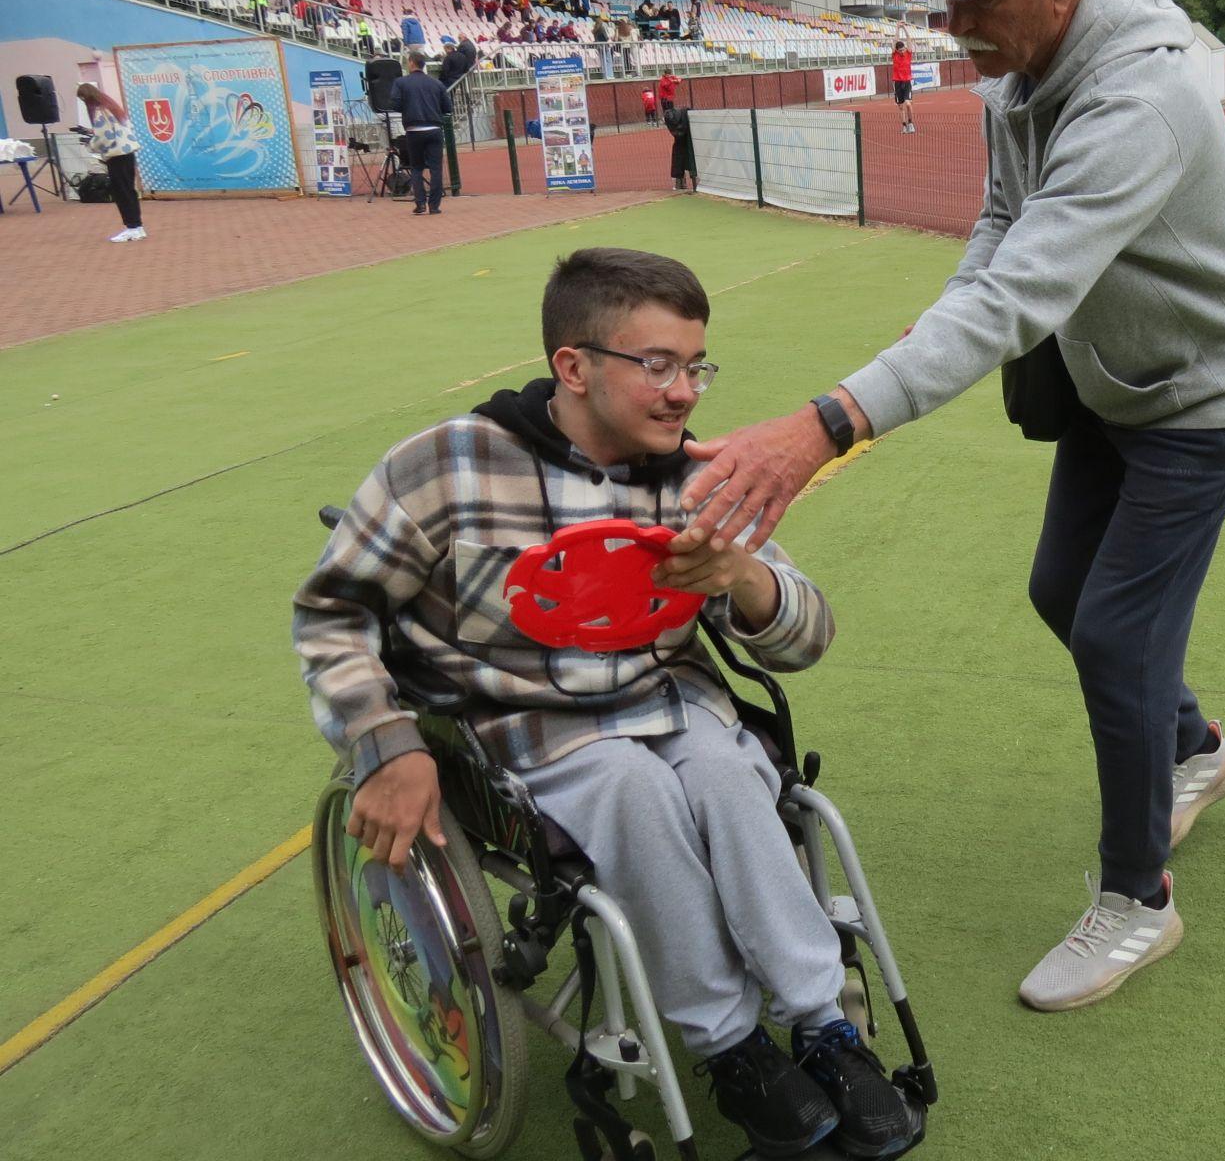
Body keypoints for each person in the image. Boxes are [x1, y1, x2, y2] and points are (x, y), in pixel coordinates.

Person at [667, 0, 1225, 1013]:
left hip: (1203, 391)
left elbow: (1022, 292)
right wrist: (933, 325)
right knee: (1063, 591)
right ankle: (1195, 748)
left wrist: (828, 424)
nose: (954, 28)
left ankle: (1135, 902)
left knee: (1114, 633)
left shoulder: (1137, 99)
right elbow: (1000, 231)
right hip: (1112, 378)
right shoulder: (1023, 67)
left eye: (979, 0)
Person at [293, 248, 923, 1160]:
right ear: (574, 365)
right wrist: (386, 741)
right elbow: (332, 611)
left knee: (726, 774)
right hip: (519, 733)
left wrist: (740, 575)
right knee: (631, 787)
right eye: (658, 365)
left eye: (696, 366)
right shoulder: (445, 468)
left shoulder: (698, 477)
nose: (684, 393)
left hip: (672, 704)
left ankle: (821, 1024)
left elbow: (806, 638)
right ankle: (731, 1045)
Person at [75, 82, 145, 242]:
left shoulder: (100, 112)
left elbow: (104, 137)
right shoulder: (112, 108)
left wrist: (90, 144)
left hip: (115, 155)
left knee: (121, 192)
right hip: (127, 152)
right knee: (129, 190)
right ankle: (137, 226)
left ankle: (131, 227)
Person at [392, 52, 452, 214]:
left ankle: (420, 203)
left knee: (417, 168)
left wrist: (408, 106)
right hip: (434, 128)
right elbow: (448, 108)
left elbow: (395, 104)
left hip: (413, 130)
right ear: (423, 64)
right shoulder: (436, 84)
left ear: (411, 63)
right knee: (436, 168)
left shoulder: (401, 83)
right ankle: (434, 205)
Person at [667, 104, 698, 194]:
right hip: (688, 142)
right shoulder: (685, 118)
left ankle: (682, 184)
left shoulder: (673, 122)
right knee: (685, 160)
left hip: (681, 144)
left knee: (680, 160)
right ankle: (685, 183)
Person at [888, 41, 915, 132]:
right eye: (900, 50)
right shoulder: (894, 55)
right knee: (900, 106)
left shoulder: (908, 53)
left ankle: (911, 123)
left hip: (907, 81)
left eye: (903, 49)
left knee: (908, 103)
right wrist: (897, 28)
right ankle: (904, 125)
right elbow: (894, 42)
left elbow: (909, 40)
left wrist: (904, 28)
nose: (902, 51)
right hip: (897, 82)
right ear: (897, 50)